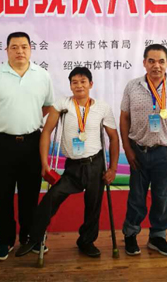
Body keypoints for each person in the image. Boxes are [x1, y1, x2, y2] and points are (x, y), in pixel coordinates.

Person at [15, 67, 120, 258]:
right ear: (70, 85)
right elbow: (47, 132)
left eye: (83, 81)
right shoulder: (62, 104)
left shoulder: (102, 107)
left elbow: (113, 137)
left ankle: (86, 241)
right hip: (73, 167)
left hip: (95, 165)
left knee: (93, 205)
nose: (79, 85)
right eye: (74, 82)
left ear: (91, 84)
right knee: (52, 197)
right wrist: (44, 163)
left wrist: (113, 168)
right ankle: (34, 238)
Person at [0, 32, 54, 261]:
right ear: (7, 50)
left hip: (32, 143)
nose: (20, 51)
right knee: (4, 194)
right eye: (14, 47)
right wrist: (0, 126)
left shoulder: (42, 75)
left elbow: (47, 106)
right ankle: (5, 241)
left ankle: (29, 237)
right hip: (2, 144)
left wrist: (28, 122)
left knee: (30, 195)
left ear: (31, 49)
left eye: (24, 46)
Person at [120, 44, 167, 256]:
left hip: (163, 152)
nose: (156, 66)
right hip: (138, 151)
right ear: (144, 63)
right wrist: (127, 148)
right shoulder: (132, 87)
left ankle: (158, 236)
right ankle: (131, 234)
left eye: (161, 61)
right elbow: (124, 118)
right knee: (136, 196)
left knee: (162, 197)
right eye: (151, 61)